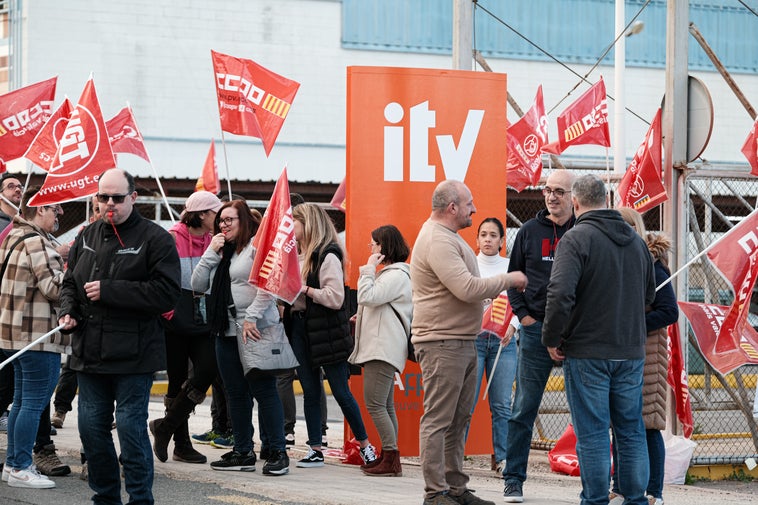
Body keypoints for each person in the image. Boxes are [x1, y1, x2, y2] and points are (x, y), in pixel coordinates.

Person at [58, 168, 181, 505]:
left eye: (117, 197)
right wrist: (66, 311)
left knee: (130, 430)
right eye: (103, 197)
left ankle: (141, 499)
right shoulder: (86, 234)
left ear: (133, 198)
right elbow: (70, 283)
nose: (109, 204)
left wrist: (112, 290)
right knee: (91, 432)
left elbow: (167, 293)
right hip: (89, 352)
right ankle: (105, 497)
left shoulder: (156, 238)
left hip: (134, 354)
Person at [411, 180, 527, 505]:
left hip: (461, 341)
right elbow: (466, 288)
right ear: (452, 207)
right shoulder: (437, 240)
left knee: (458, 419)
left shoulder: (448, 238)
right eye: (469, 204)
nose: (474, 210)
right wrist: (510, 279)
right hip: (442, 342)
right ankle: (435, 494)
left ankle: (456, 489)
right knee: (438, 419)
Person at [542, 174, 655, 505]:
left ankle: (594, 500)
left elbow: (559, 293)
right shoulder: (637, 243)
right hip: (630, 351)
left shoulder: (576, 240)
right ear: (606, 199)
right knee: (631, 431)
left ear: (575, 203)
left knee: (592, 433)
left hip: (588, 351)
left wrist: (552, 337)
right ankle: (635, 499)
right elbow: (648, 295)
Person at [191, 200, 289, 475]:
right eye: (221, 220)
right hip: (226, 330)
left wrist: (251, 317)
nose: (223, 224)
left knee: (264, 391)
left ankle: (278, 453)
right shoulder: (224, 253)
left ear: (243, 221)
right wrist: (211, 251)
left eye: (230, 219)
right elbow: (197, 284)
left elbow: (267, 284)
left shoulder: (257, 247)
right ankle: (243, 451)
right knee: (235, 394)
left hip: (255, 329)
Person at [284, 202, 377, 469]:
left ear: (308, 224)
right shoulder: (297, 254)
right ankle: (315, 449)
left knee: (340, 391)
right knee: (311, 391)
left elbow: (335, 298)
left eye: (295, 223)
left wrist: (304, 289)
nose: (291, 229)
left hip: (327, 331)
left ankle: (365, 446)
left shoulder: (328, 255)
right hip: (301, 328)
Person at [503, 169, 576, 503]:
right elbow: (513, 278)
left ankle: (595, 483)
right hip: (534, 332)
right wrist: (526, 318)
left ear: (573, 196)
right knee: (523, 409)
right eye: (547, 190)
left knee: (588, 413)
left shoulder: (582, 230)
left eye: (559, 191)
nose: (552, 196)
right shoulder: (530, 232)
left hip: (575, 336)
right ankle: (513, 479)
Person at [0, 187, 69, 488]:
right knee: (33, 403)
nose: (59, 214)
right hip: (37, 335)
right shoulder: (36, 241)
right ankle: (19, 466)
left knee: (20, 402)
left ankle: (14, 464)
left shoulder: (14, 236)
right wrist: (77, 268)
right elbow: (54, 288)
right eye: (55, 209)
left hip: (14, 334)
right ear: (39, 209)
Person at [149, 191, 223, 465]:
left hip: (203, 319)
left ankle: (165, 427)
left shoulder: (214, 241)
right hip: (174, 319)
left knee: (207, 370)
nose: (220, 219)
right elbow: (158, 277)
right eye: (216, 213)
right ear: (203, 214)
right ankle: (181, 443)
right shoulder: (171, 238)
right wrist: (168, 311)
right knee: (176, 379)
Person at [610, 207, 679, 505]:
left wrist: (634, 322)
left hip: (648, 354)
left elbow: (669, 311)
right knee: (622, 424)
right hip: (621, 351)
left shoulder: (653, 266)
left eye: (621, 226)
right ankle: (621, 486)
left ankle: (654, 492)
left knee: (648, 425)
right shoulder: (616, 263)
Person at [348, 224, 412, 477]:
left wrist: (367, 269)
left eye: (374, 244)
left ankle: (391, 458)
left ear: (384, 247)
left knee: (375, 403)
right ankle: (389, 456)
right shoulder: (394, 275)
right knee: (384, 404)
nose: (371, 248)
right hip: (383, 346)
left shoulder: (396, 275)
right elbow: (376, 303)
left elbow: (366, 296)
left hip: (382, 349)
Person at [471, 217, 519, 475]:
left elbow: (522, 301)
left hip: (504, 342)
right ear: (476, 239)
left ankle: (502, 459)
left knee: (502, 405)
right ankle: (455, 460)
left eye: (493, 235)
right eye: (483, 234)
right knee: (465, 402)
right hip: (474, 342)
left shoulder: (511, 267)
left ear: (502, 241)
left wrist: (514, 326)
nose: (488, 239)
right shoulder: (469, 264)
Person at [52, 194, 103, 431]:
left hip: (109, 318)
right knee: (73, 365)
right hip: (83, 314)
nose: (101, 210)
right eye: (96, 207)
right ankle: (61, 409)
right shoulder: (83, 236)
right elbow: (69, 276)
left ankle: (103, 415)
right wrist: (70, 308)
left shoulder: (127, 238)